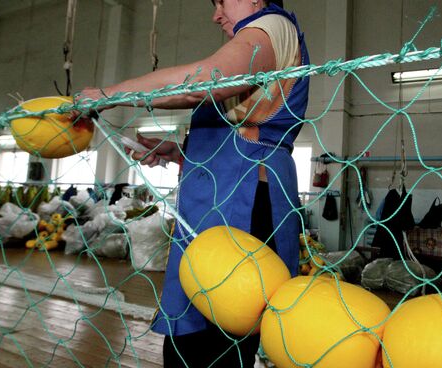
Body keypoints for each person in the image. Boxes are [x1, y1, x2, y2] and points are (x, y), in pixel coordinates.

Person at [78, 0, 309, 366]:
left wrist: (110, 95)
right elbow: (242, 132)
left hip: (242, 207)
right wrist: (179, 153)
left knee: (211, 346)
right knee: (195, 341)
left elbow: (203, 82)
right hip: (225, 201)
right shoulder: (262, 45)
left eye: (222, 0)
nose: (216, 14)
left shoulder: (273, 24)